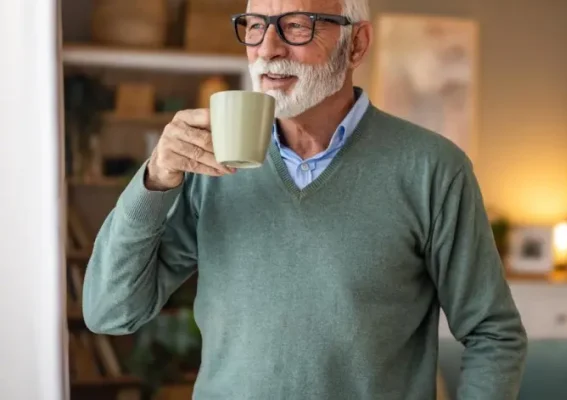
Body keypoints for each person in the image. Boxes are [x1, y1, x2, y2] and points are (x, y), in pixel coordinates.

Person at [82, 0, 527, 398]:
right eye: (255, 26)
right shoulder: (208, 165)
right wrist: (156, 180)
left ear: (356, 44)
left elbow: (493, 332)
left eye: (296, 26)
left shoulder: (433, 168)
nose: (268, 48)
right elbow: (110, 312)